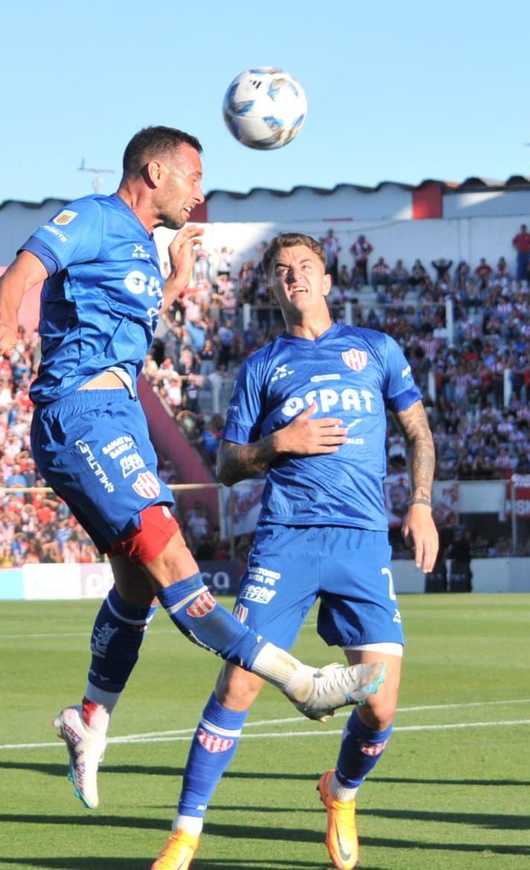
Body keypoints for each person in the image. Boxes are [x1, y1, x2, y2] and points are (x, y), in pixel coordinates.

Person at [0, 127, 385, 812]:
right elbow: (21, 269)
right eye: (193, 176)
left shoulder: (141, 245)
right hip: (81, 414)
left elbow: (118, 317)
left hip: (117, 419)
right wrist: (4, 319)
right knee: (176, 572)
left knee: (136, 585)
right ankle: (301, 683)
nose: (200, 191)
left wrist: (172, 283)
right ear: (155, 169)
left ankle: (91, 719)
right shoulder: (96, 215)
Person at [151, 232, 437, 870]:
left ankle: (340, 793)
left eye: (305, 266)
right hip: (286, 539)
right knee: (239, 683)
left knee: (382, 700)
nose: (294, 277)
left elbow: (418, 432)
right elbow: (226, 464)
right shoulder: (262, 366)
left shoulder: (376, 350)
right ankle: (184, 835)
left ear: (327, 280)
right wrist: (281, 442)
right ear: (273, 288)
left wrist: (420, 502)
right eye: (282, 271)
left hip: (362, 541)